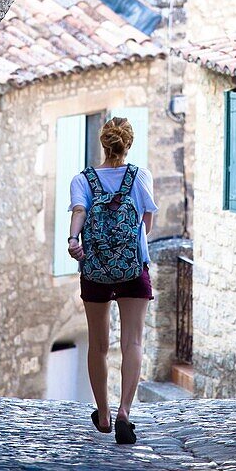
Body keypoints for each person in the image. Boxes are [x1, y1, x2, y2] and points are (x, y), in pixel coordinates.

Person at [67, 116, 157, 445]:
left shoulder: (82, 180)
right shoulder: (139, 177)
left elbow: (79, 211)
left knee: (98, 345)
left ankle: (102, 414)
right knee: (132, 342)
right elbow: (146, 222)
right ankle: (124, 413)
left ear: (102, 145)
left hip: (94, 270)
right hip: (133, 269)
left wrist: (74, 240)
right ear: (128, 144)